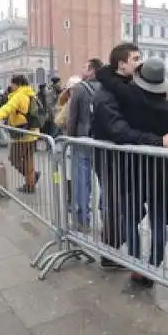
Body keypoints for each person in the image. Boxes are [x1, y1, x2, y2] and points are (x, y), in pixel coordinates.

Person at [96, 58, 168, 288]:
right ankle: (153, 265)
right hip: (161, 172)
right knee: (158, 223)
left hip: (134, 169)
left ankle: (136, 264)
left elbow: (105, 76)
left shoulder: (130, 100)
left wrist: (127, 67)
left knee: (130, 219)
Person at [66, 58, 103, 230]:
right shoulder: (106, 87)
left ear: (92, 70)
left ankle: (83, 219)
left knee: (83, 182)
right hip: (102, 141)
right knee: (105, 182)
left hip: (82, 140)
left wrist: (70, 138)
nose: (82, 70)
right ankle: (107, 217)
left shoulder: (80, 88)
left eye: (85, 67)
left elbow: (72, 117)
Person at [0, 74, 40, 193]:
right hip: (33, 131)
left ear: (18, 84)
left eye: (12, 83)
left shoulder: (19, 96)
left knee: (14, 158)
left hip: (22, 133)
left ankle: (32, 177)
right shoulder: (30, 93)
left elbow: (6, 109)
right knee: (28, 159)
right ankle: (30, 185)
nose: (10, 85)